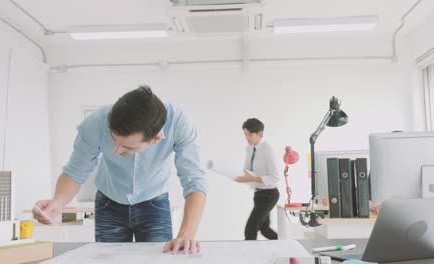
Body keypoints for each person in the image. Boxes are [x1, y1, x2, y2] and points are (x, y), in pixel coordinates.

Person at [33, 86, 208, 254]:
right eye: (113, 140)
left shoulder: (179, 123)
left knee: (156, 260)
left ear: (156, 139)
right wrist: (57, 202)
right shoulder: (95, 124)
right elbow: (75, 171)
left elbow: (194, 181)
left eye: (126, 147)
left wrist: (186, 235)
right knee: (107, 260)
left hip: (155, 202)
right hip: (108, 202)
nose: (115, 151)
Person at [236, 118, 281, 240]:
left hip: (269, 195)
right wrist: (239, 175)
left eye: (250, 134)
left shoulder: (269, 149)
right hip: (258, 194)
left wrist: (253, 178)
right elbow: (248, 169)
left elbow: (275, 177)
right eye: (245, 134)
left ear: (260, 134)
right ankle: (286, 246)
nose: (247, 137)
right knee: (264, 229)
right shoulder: (250, 147)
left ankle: (249, 258)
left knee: (250, 229)